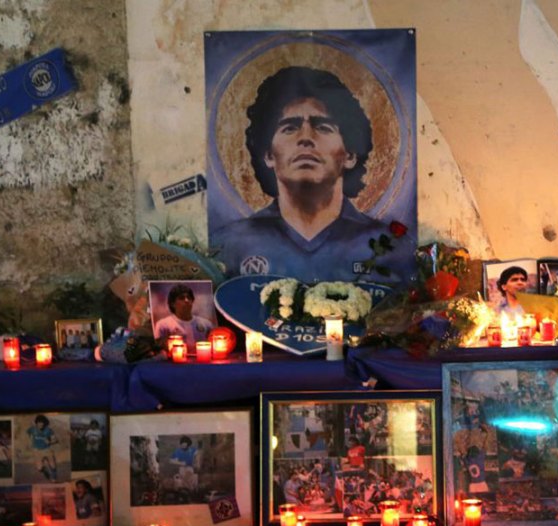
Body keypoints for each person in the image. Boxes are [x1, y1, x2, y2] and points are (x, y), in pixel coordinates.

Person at [213, 66, 413, 283]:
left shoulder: (390, 247)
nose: (306, 138)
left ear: (350, 154)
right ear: (269, 154)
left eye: (323, 127)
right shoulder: (229, 244)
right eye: (289, 128)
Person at [152, 284, 214, 351]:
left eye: (189, 298)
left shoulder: (206, 324)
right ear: (173, 304)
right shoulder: (163, 325)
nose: (186, 300)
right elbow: (157, 349)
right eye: (181, 298)